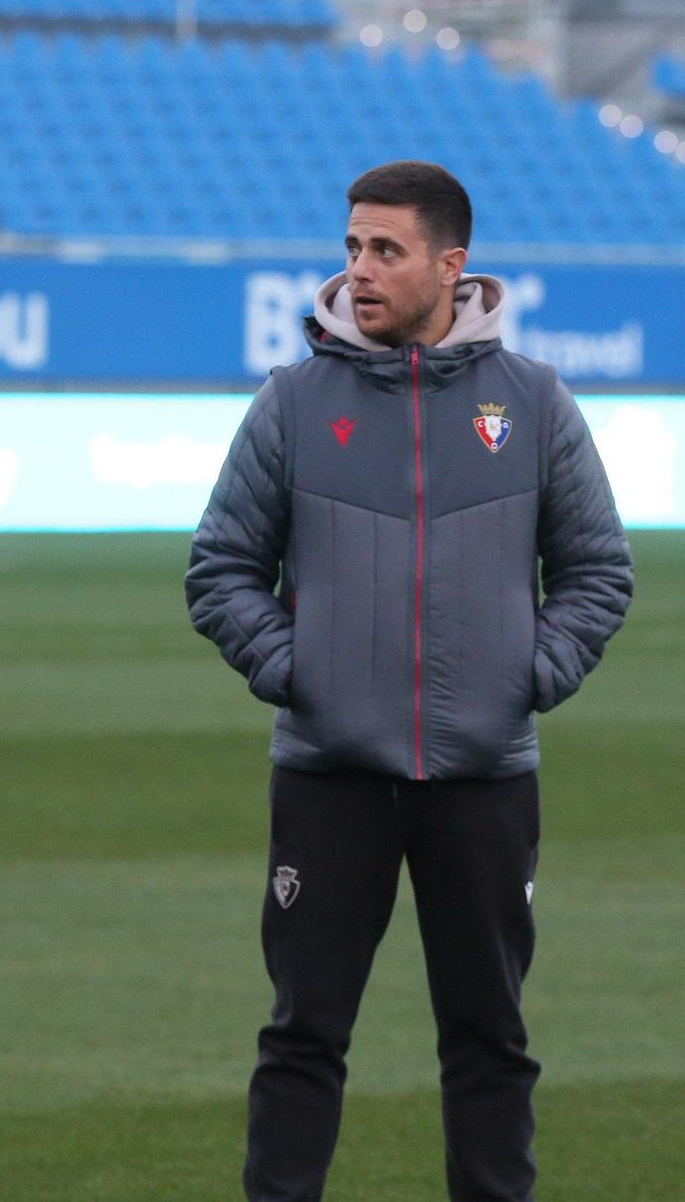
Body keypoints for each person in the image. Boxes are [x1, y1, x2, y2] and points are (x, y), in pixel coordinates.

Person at [186, 160, 633, 1202]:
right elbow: (219, 567)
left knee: (488, 1041)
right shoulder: (293, 402)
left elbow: (596, 569)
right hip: (327, 776)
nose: (359, 269)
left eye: (384, 250)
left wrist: (528, 675)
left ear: (450, 263)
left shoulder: (530, 402)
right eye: (350, 248)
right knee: (301, 1037)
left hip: (483, 776)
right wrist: (300, 674)